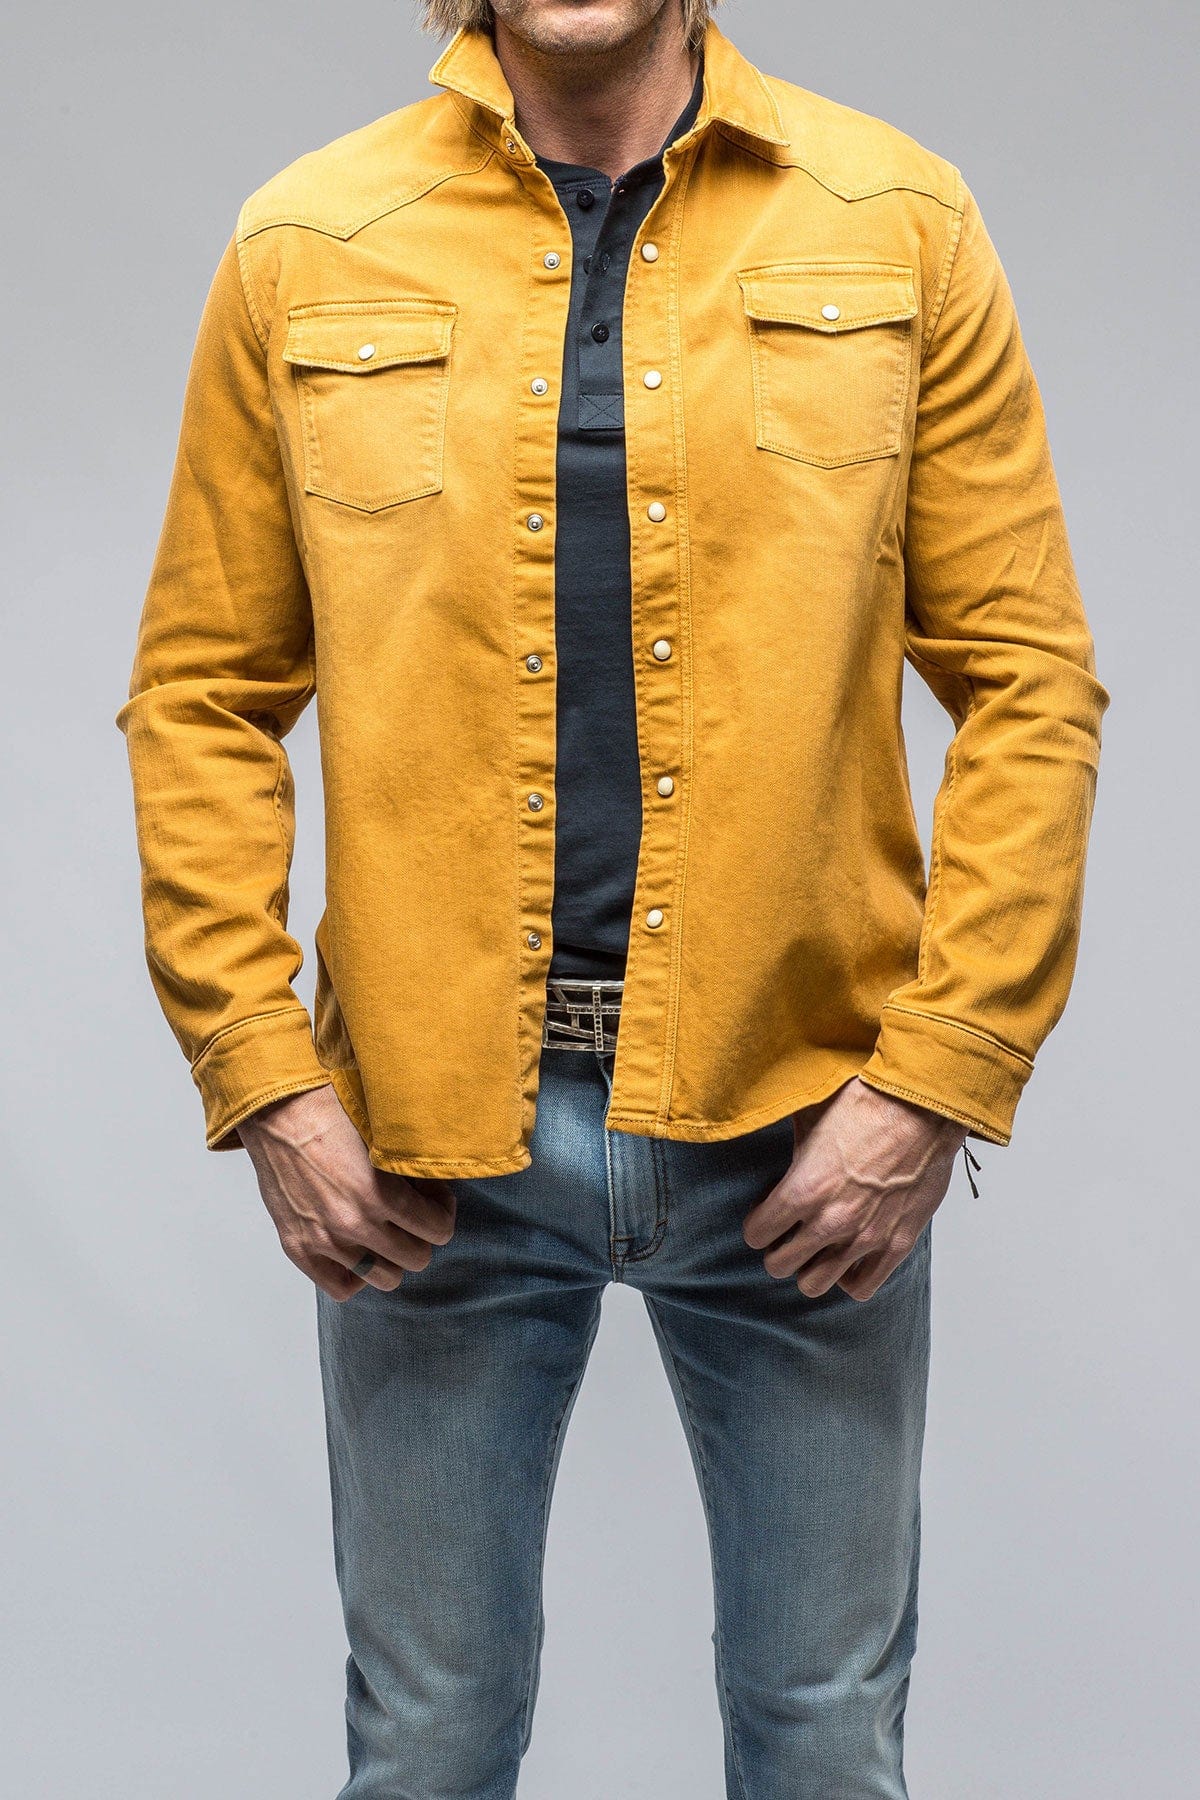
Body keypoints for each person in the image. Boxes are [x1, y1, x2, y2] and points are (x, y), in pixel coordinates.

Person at [117, 1, 1109, 1793]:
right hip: (431, 1143)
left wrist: (936, 1082)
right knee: (427, 1743)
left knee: (825, 1738)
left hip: (805, 1119)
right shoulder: (306, 239)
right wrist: (262, 1076)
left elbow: (1031, 680)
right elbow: (200, 695)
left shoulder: (897, 219)